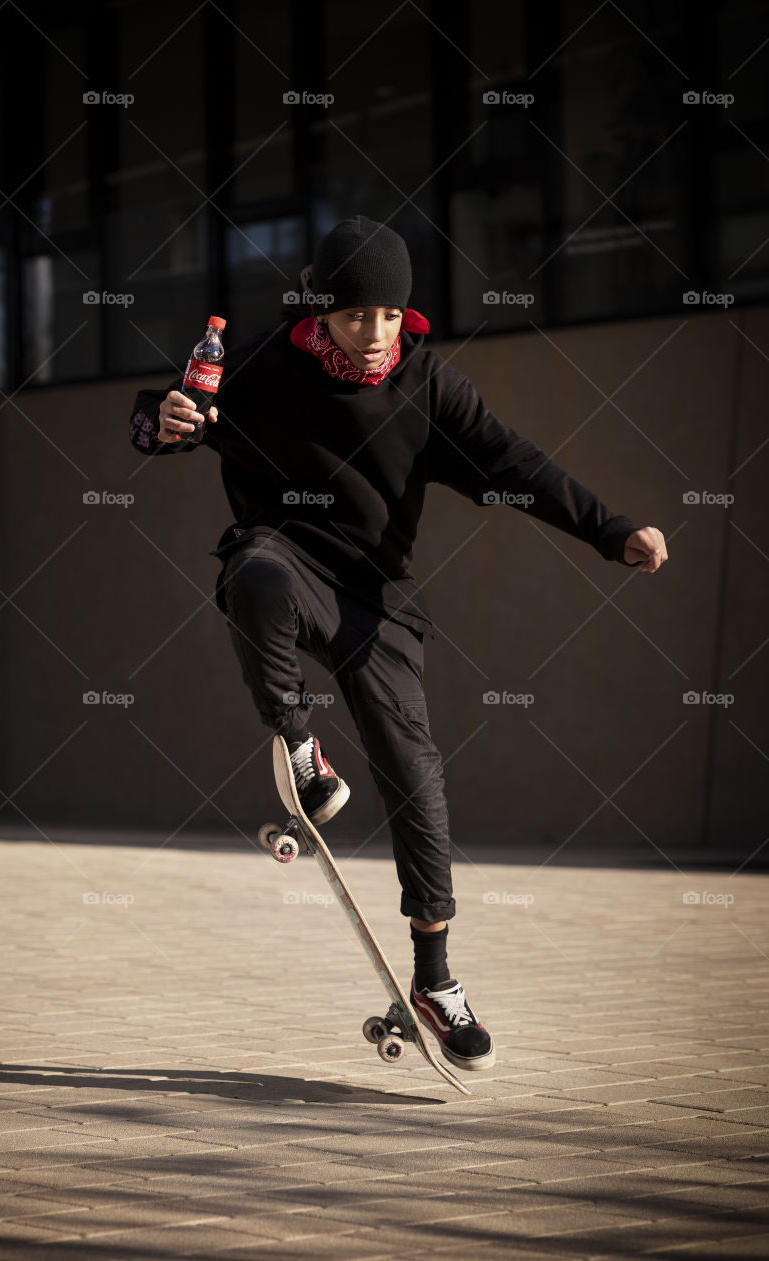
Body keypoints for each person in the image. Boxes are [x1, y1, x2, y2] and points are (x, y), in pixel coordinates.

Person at [129, 215, 668, 1072]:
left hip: (377, 598)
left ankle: (435, 979)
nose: (374, 334)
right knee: (256, 576)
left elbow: (514, 463)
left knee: (416, 776)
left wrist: (611, 530)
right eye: (354, 316)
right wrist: (162, 422)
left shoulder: (427, 384)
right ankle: (301, 747)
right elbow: (168, 416)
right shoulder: (263, 365)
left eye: (388, 315)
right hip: (285, 557)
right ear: (322, 310)